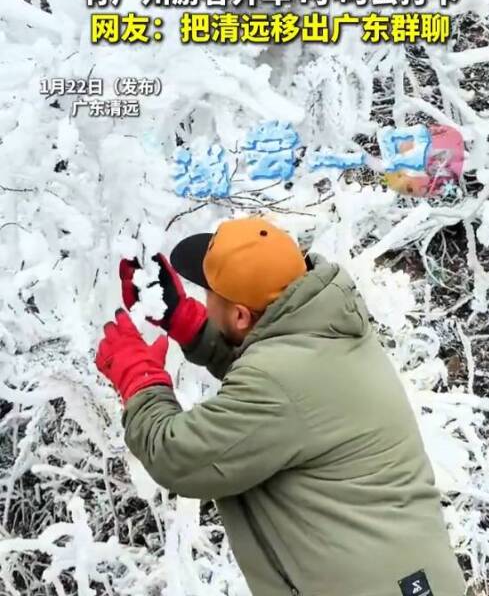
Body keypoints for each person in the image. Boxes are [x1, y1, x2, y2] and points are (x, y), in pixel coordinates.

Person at [96, 216, 465, 596]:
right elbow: (275, 378)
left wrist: (138, 378)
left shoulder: (278, 383)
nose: (203, 298)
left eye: (209, 294)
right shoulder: (328, 328)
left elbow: (177, 456)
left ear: (241, 316)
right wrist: (184, 319)